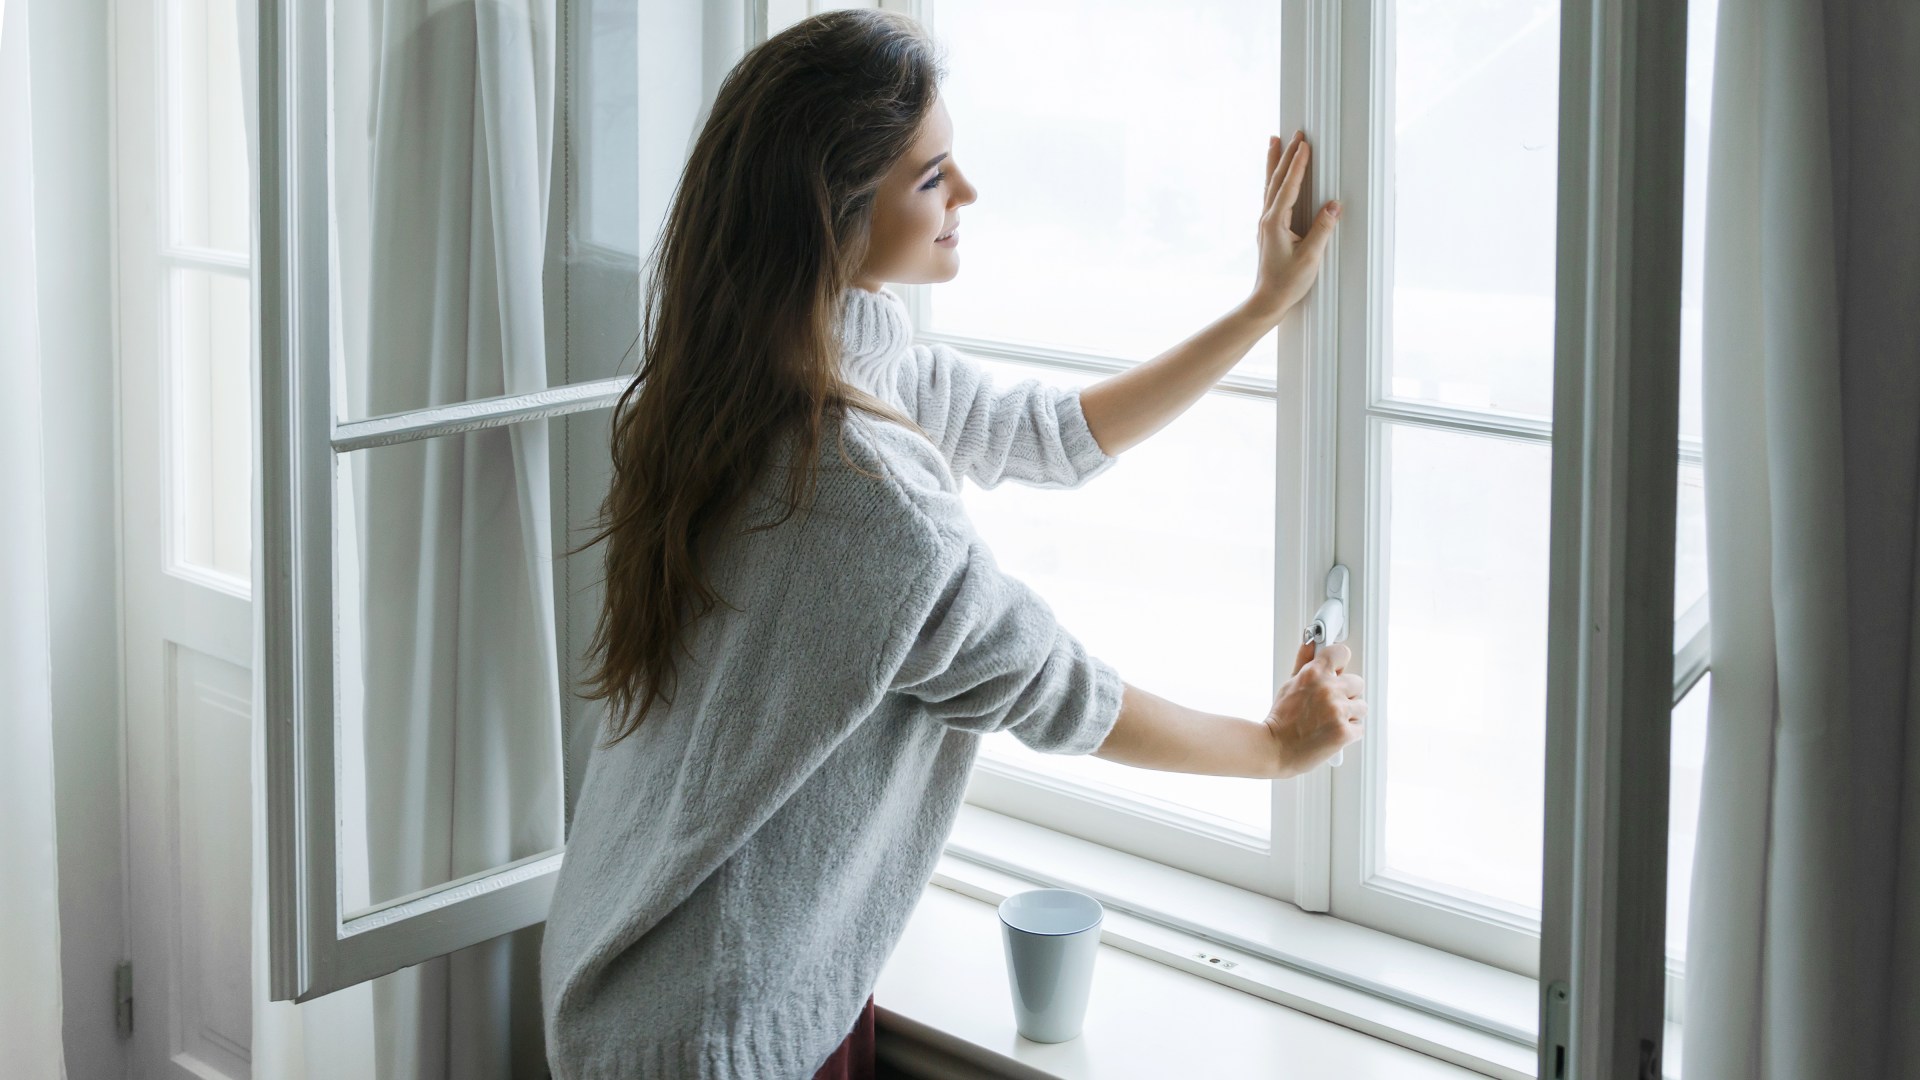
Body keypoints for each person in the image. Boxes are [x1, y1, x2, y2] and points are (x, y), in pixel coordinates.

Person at [537, 9, 1360, 1078]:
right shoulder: (865, 502)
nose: (964, 196)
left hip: (636, 959)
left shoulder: (764, 370)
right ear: (830, 210)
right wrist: (1275, 750)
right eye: (931, 178)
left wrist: (1260, 311)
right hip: (712, 1029)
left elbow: (1048, 436)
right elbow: (1057, 690)